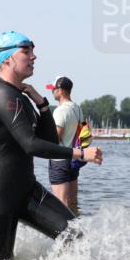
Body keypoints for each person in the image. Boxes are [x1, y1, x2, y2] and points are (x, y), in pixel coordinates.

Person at [0, 31, 103, 260]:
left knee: (75, 235)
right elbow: (30, 145)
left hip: (27, 190)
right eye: (26, 51)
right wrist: (80, 153)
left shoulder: (20, 96)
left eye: (33, 51)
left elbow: (50, 140)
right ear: (6, 59)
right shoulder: (0, 94)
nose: (33, 57)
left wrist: (42, 105)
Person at [45, 75, 84, 213]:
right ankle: (78, 226)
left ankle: (64, 227)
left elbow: (55, 138)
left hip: (59, 161)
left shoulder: (60, 110)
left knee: (61, 204)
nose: (52, 92)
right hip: (74, 159)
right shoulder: (77, 108)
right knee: (72, 203)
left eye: (53, 89)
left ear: (60, 90)